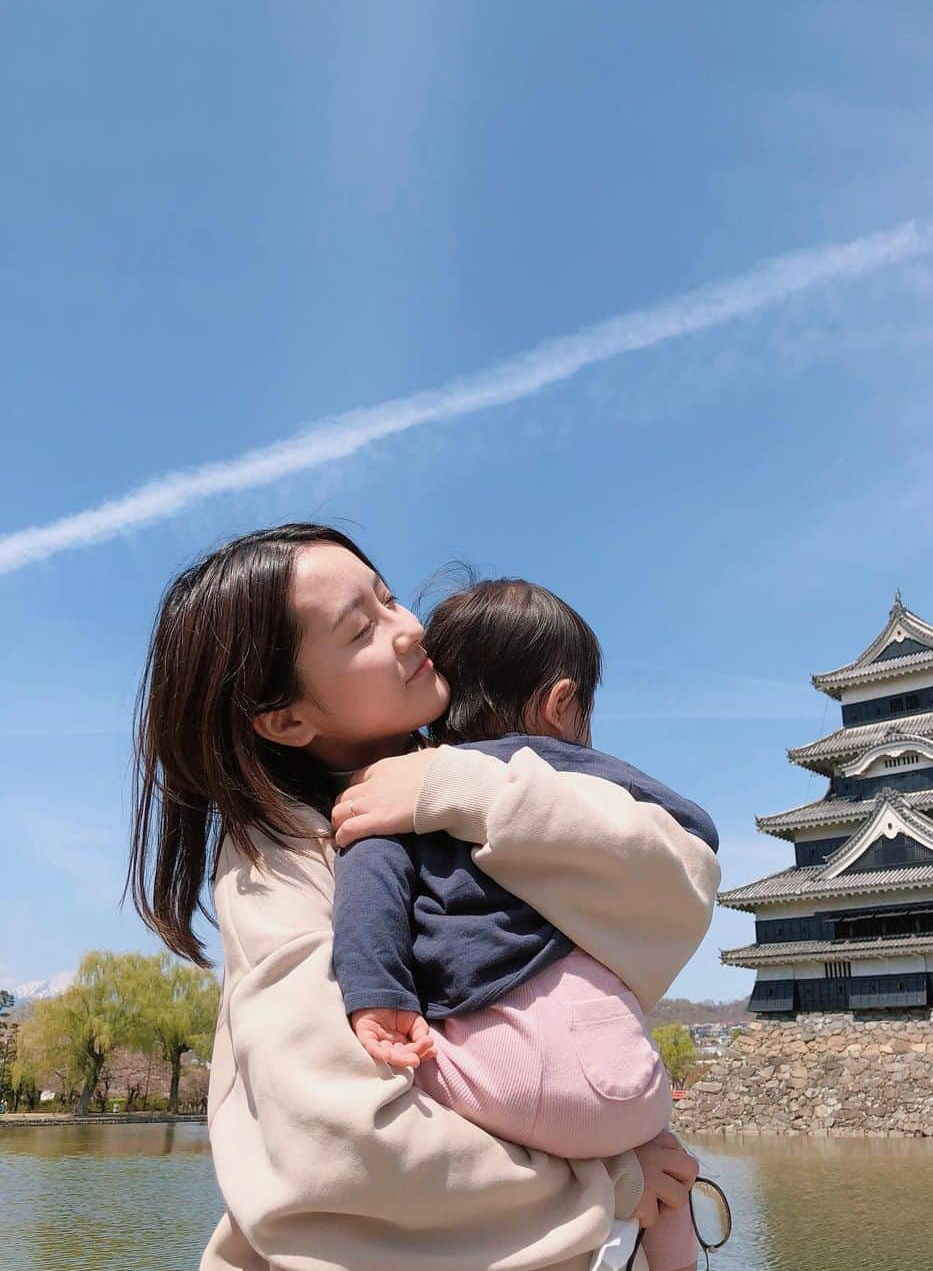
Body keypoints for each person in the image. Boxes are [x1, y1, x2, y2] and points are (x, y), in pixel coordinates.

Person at [128, 524, 719, 1271]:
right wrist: (610, 1180)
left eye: (389, 598)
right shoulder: (275, 860)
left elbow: (681, 878)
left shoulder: (473, 778)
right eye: (359, 629)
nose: (409, 630)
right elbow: (340, 1142)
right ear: (286, 719)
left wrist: (457, 789)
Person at [332, 578, 718, 1271]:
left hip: (490, 1076)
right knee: (668, 1162)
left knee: (418, 1070)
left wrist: (376, 996)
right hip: (628, 1084)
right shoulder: (591, 778)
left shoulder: (399, 783)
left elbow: (369, 885)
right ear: (561, 703)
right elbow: (695, 832)